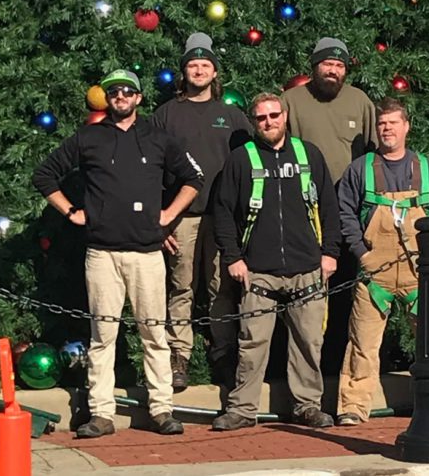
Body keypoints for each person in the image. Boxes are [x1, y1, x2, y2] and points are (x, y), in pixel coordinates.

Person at [30, 68, 204, 439]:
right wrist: (71, 212)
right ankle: (102, 414)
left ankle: (161, 410)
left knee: (154, 335)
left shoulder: (158, 138)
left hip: (146, 254)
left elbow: (193, 179)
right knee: (102, 336)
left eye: (127, 91)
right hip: (102, 254)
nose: (120, 96)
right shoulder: (88, 137)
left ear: (139, 98)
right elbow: (44, 175)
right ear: (106, 99)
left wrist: (169, 215)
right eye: (113, 92)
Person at [210, 93, 341, 432]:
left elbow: (328, 205)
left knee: (309, 343)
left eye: (274, 115)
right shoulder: (241, 160)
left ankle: (308, 406)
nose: (268, 122)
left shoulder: (308, 155)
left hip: (308, 268)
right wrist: (233, 258)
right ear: (254, 122)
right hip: (259, 271)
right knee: (252, 344)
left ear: (285, 116)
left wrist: (330, 253)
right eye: (261, 118)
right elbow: (223, 212)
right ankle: (241, 409)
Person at [333, 97, 429, 425]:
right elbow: (344, 212)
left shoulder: (426, 168)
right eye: (382, 124)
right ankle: (353, 408)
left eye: (393, 122)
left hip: (421, 271)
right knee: (362, 342)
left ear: (406, 126)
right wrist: (362, 252)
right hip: (375, 272)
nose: (387, 129)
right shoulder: (360, 169)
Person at [148, 33, 252, 389]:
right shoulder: (165, 115)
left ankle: (222, 355)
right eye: (192, 65)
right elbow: (149, 170)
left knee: (221, 287)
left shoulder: (232, 116)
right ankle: (179, 358)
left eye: (205, 65)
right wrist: (160, 220)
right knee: (181, 288)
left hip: (223, 217)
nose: (199, 70)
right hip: (182, 216)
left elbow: (250, 166)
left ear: (214, 72)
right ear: (184, 72)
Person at [282, 37, 377, 178]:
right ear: (315, 65)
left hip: (349, 191)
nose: (333, 70)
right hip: (305, 187)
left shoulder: (360, 100)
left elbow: (374, 148)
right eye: (328, 64)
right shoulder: (290, 100)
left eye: (340, 66)